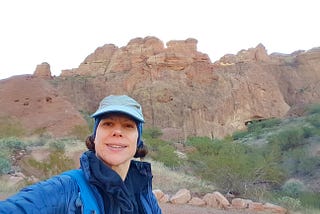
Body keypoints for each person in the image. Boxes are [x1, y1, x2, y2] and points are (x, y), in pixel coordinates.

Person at [0, 95, 162, 214]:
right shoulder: (66, 190)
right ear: (95, 136)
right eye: (108, 124)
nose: (117, 132)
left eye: (128, 126)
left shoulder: (145, 195)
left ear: (138, 140)